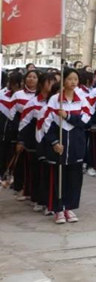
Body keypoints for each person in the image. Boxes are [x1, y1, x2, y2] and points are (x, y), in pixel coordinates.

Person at [43, 68, 91, 224]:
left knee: (74, 178)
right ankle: (58, 209)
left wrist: (68, 116)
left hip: (77, 143)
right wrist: (54, 142)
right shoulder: (55, 100)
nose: (73, 82)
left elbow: (85, 121)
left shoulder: (82, 99)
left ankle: (69, 207)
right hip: (60, 145)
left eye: (75, 79)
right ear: (63, 81)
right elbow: (46, 123)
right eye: (69, 79)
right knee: (59, 177)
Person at [19, 72, 55, 212]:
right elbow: (24, 122)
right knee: (37, 172)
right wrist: (22, 140)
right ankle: (37, 198)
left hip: (52, 142)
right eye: (49, 82)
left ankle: (49, 201)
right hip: (36, 142)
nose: (52, 85)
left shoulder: (57, 101)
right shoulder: (33, 102)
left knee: (49, 173)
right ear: (42, 84)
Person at [12, 70, 39, 198]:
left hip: (34, 130)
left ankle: (29, 188)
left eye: (34, 77)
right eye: (29, 77)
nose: (31, 79)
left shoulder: (40, 97)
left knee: (31, 162)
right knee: (20, 161)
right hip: (20, 127)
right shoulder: (18, 94)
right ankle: (19, 186)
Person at [0, 71, 23, 185]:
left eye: (15, 83)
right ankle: (3, 174)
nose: (12, 85)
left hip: (16, 131)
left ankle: (11, 174)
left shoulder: (22, 98)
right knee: (3, 152)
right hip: (4, 130)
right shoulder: (3, 95)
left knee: (13, 154)